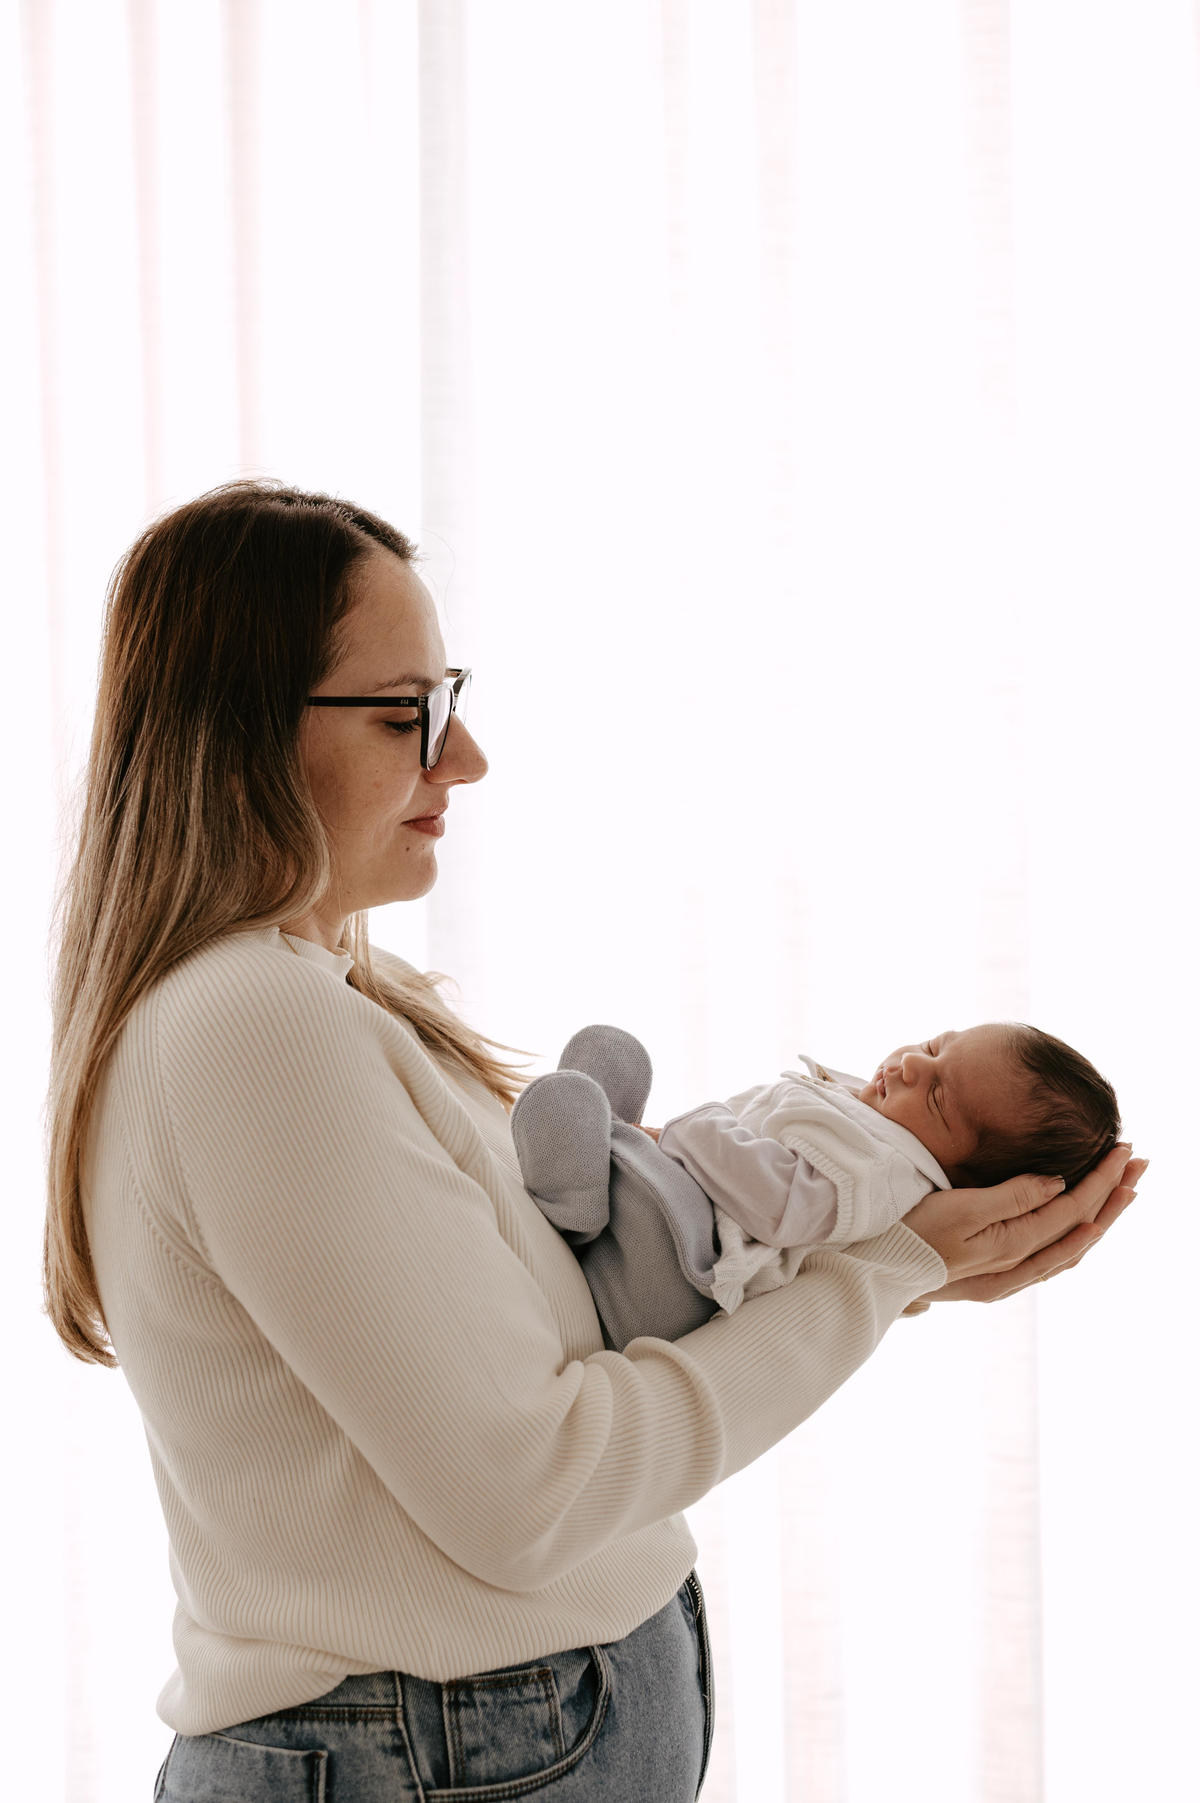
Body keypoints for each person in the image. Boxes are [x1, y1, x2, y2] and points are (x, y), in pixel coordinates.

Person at [44, 481, 1144, 1803]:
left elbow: (562, 1349)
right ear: (237, 734)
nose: (463, 758)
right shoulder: (253, 1023)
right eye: (405, 713)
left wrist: (888, 1258)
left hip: (471, 1740)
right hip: (437, 1747)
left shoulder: (337, 1001)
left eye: (448, 697)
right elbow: (533, 1489)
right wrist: (882, 1271)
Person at [512, 1021, 1122, 1341]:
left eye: (938, 1097)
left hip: (678, 1269)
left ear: (961, 1180)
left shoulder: (886, 1170)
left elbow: (781, 1205)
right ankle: (596, 1139)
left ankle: (576, 1208)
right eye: (935, 1045)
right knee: (613, 1054)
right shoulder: (876, 1120)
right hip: (679, 1213)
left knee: (579, 1103)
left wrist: (687, 1130)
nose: (913, 1063)